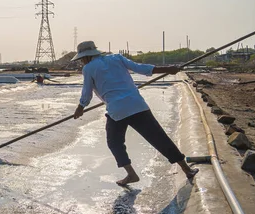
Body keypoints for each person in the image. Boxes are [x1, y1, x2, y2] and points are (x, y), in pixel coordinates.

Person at [71, 41, 198, 186]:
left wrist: (80, 107)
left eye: (81, 59)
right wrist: (168, 69)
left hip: (117, 111)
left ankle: (131, 174)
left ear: (86, 57)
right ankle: (187, 169)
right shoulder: (117, 58)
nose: (81, 62)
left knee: (115, 143)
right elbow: (142, 69)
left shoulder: (88, 68)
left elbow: (86, 93)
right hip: (137, 105)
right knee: (159, 138)